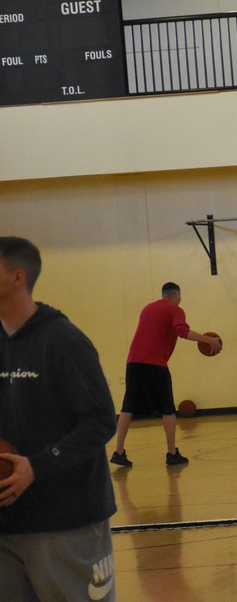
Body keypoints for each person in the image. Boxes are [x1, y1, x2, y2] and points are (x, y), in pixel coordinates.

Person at [0, 237, 118, 601]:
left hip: (67, 522)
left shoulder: (63, 340)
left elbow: (101, 420)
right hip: (7, 526)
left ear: (18, 277)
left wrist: (37, 466)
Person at [111, 282, 222, 467]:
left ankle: (118, 451)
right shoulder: (175, 309)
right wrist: (208, 339)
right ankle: (172, 454)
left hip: (133, 361)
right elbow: (182, 332)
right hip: (155, 363)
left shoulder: (147, 308)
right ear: (177, 296)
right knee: (167, 408)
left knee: (127, 406)